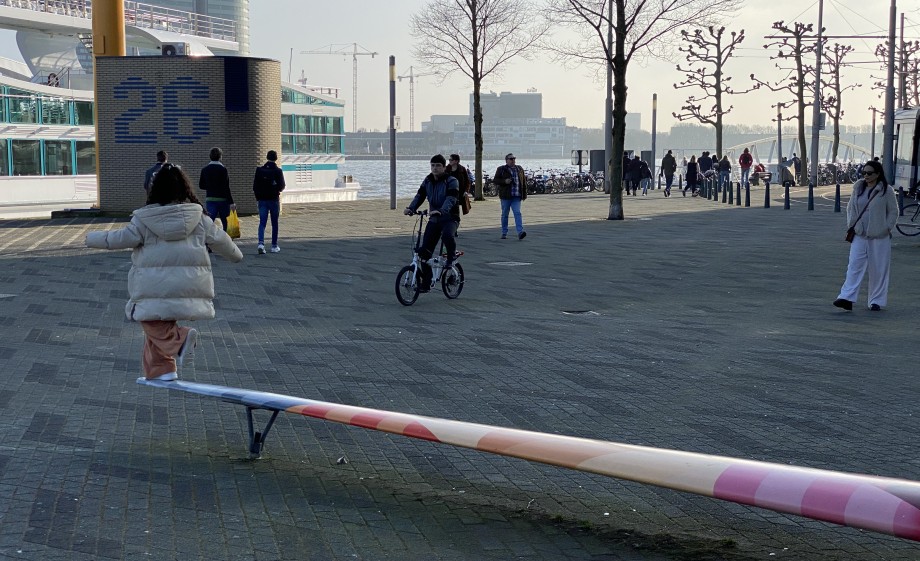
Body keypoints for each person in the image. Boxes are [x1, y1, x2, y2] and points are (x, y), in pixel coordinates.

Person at [85, 163, 243, 381]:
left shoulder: (144, 220)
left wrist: (90, 238)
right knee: (158, 324)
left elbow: (118, 239)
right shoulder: (200, 219)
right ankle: (162, 369)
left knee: (149, 319)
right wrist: (236, 256)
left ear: (155, 189)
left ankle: (180, 340)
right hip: (190, 285)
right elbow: (222, 240)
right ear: (184, 188)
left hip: (155, 286)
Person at [833, 160, 899, 312]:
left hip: (879, 235)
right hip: (859, 233)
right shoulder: (858, 188)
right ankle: (846, 298)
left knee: (879, 269)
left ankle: (876, 301)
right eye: (863, 173)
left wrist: (886, 228)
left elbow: (893, 211)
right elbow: (851, 208)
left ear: (878, 174)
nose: (866, 176)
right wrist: (852, 224)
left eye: (869, 173)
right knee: (854, 266)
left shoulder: (886, 190)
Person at [404, 154, 460, 292]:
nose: (435, 168)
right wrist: (411, 208)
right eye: (433, 165)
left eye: (438, 165)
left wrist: (441, 211)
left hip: (450, 218)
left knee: (447, 235)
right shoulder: (428, 180)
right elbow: (420, 195)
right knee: (424, 253)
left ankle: (451, 256)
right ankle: (426, 284)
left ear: (444, 167)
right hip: (434, 219)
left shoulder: (451, 181)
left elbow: (451, 199)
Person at [253, 150, 286, 254]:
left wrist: (258, 198)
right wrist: (276, 188)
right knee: (274, 223)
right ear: (276, 158)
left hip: (262, 200)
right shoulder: (278, 171)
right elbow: (282, 186)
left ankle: (261, 244)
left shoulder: (259, 170)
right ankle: (274, 246)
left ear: (267, 157)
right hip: (273, 199)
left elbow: (255, 186)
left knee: (262, 223)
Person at [199, 147, 235, 231]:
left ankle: (207, 238)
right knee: (226, 223)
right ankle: (225, 238)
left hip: (210, 199)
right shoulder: (223, 169)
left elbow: (201, 185)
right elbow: (226, 187)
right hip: (223, 200)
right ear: (220, 157)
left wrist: (211, 187)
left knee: (209, 222)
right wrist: (231, 202)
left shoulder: (205, 169)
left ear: (210, 156)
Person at [494, 153, 527, 239]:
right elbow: (495, 180)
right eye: (511, 159)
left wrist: (524, 194)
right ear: (506, 160)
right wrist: (505, 181)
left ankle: (520, 232)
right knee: (505, 214)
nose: (513, 160)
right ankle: (504, 232)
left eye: (514, 158)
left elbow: (523, 182)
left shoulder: (519, 169)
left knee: (517, 213)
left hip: (517, 196)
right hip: (506, 196)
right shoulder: (501, 169)